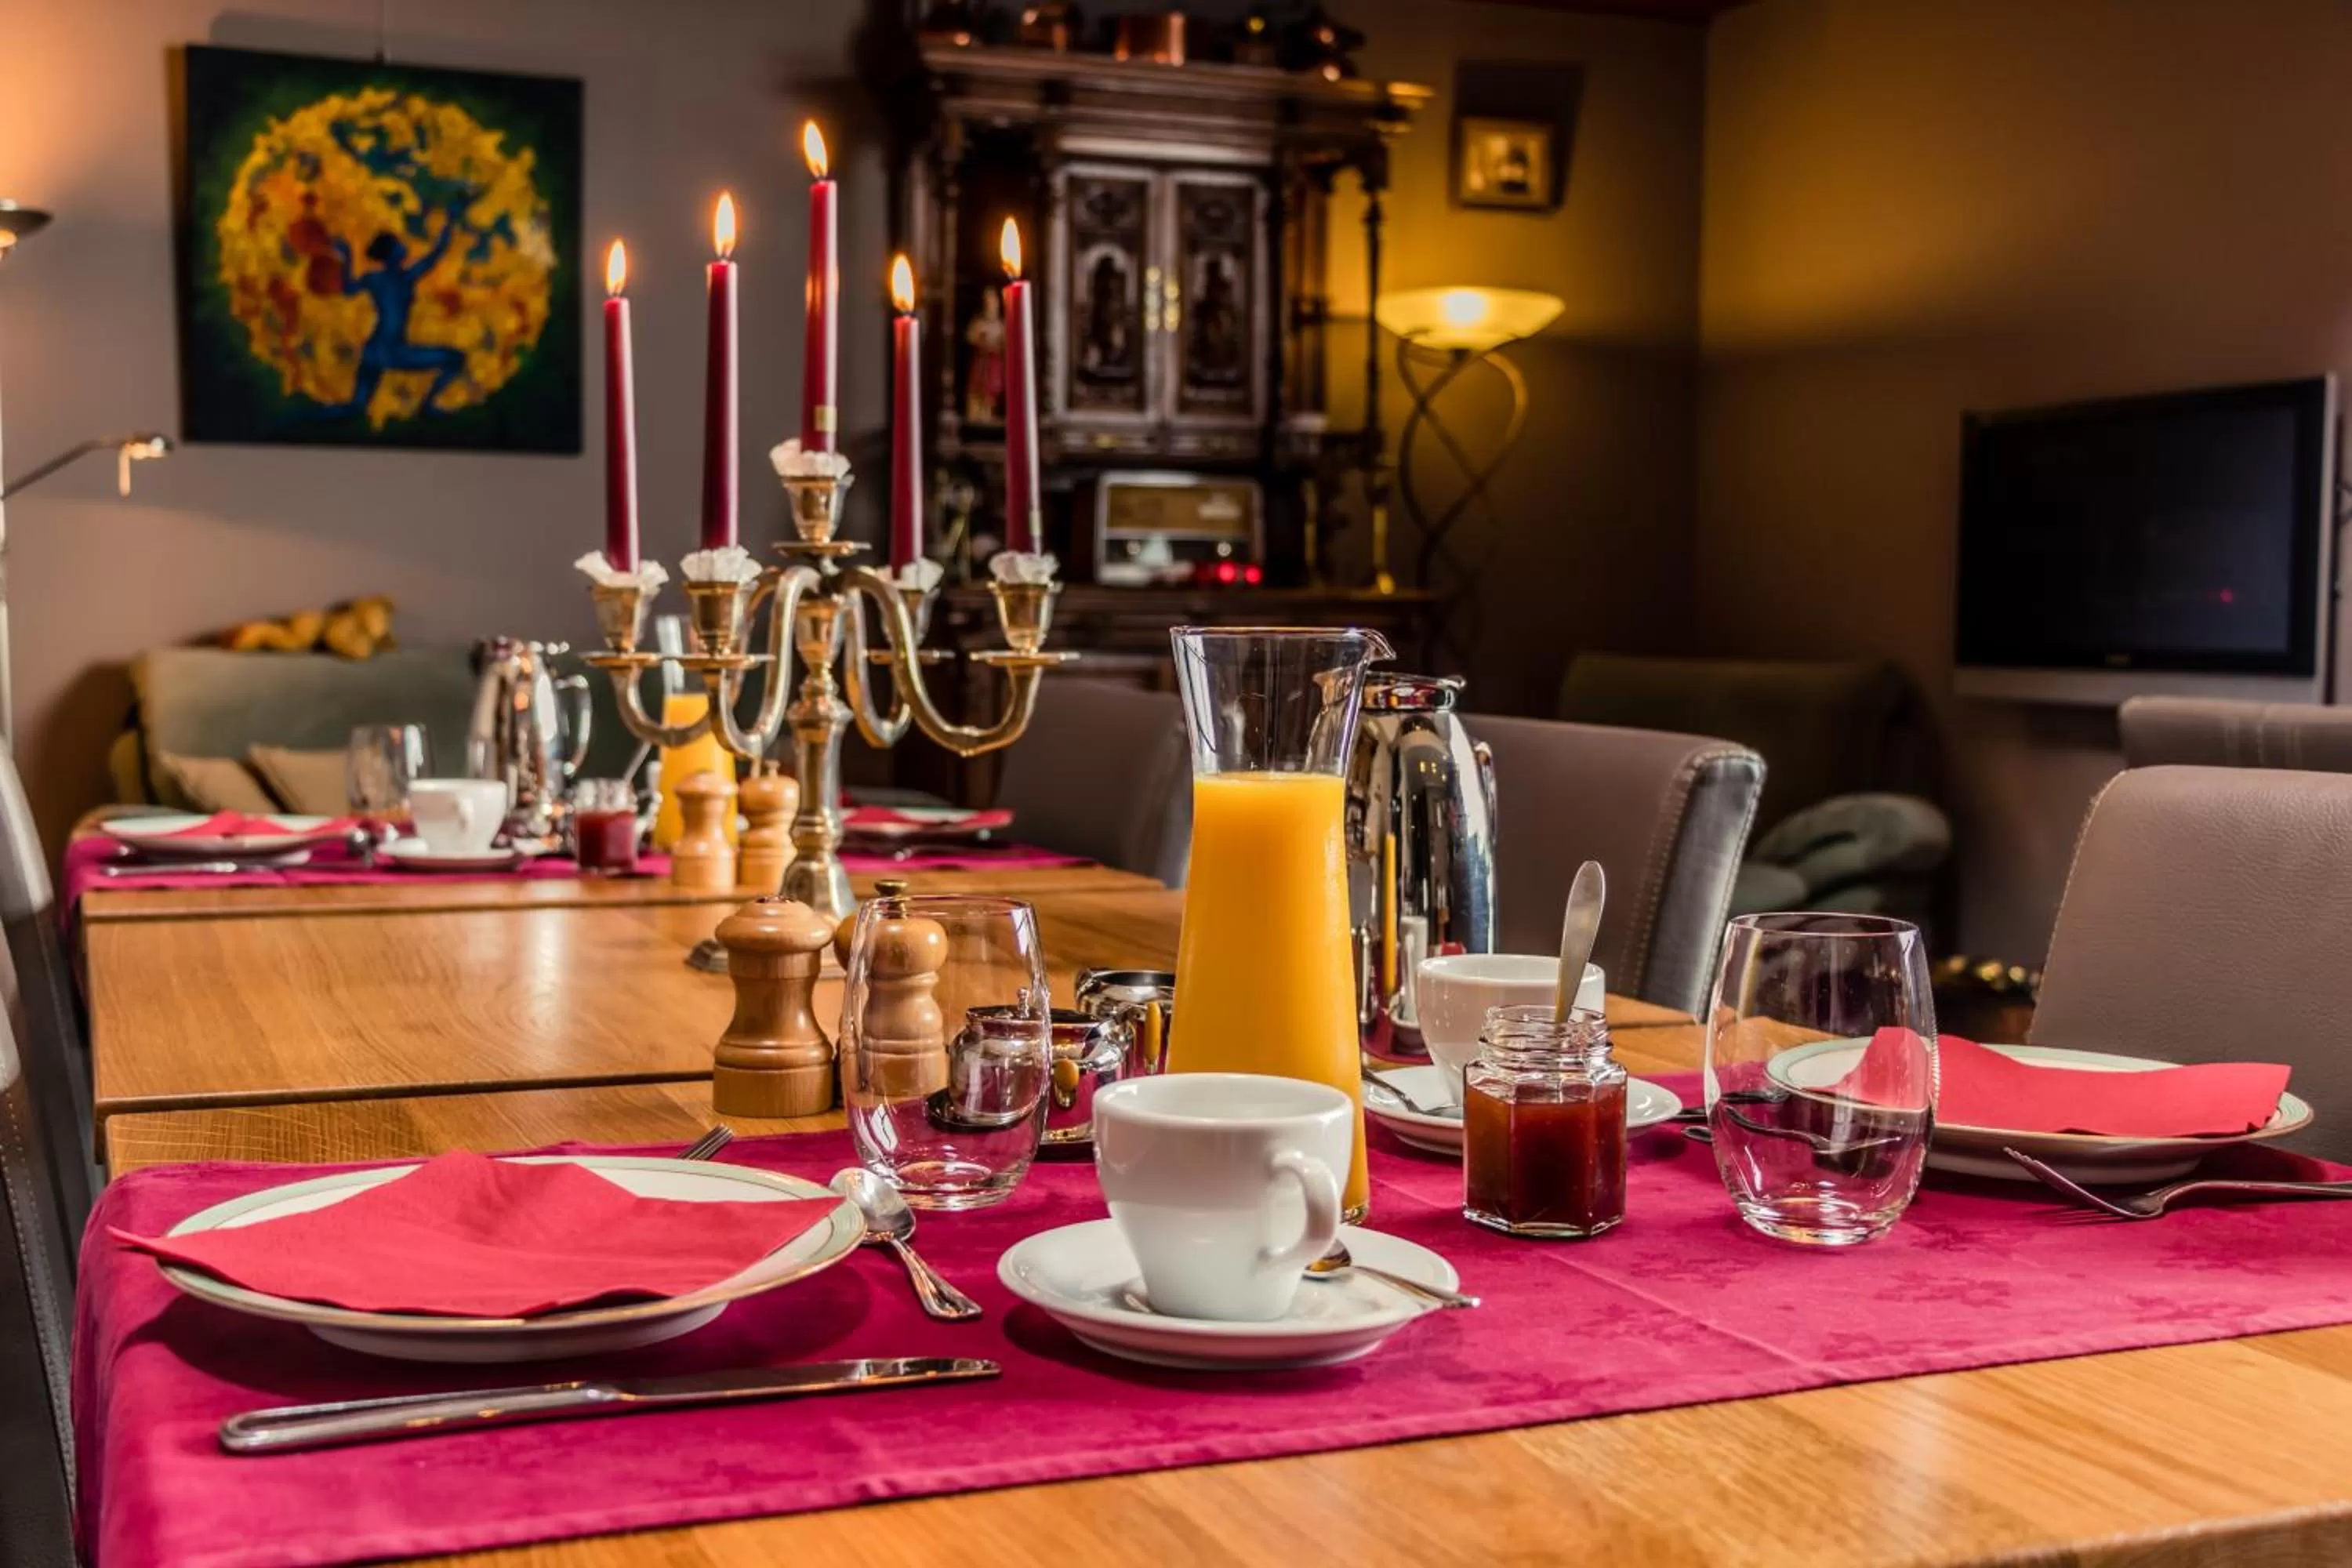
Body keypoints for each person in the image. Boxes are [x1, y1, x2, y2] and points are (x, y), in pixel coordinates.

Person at [317, 201, 469, 420]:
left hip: (374, 350)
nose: (403, 245)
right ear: (391, 253)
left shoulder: (388, 278)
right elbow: (437, 252)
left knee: (356, 407)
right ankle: (427, 406)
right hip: (393, 351)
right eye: (398, 244)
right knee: (456, 358)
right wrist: (347, 257)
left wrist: (347, 258)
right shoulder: (400, 278)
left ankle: (305, 418)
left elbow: (349, 288)